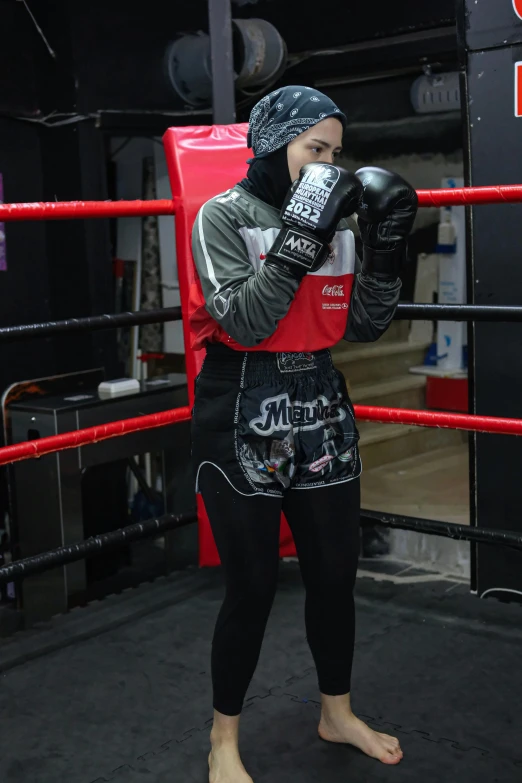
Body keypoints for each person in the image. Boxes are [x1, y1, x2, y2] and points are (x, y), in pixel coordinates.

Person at [191, 85, 418, 783]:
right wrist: (301, 234)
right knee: (253, 585)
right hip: (242, 409)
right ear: (272, 143)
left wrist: (384, 251)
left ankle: (337, 710)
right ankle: (222, 738)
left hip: (321, 403)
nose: (326, 164)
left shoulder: (336, 222)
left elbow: (364, 325)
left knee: (333, 575)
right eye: (313, 148)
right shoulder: (221, 217)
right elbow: (250, 323)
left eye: (333, 152)